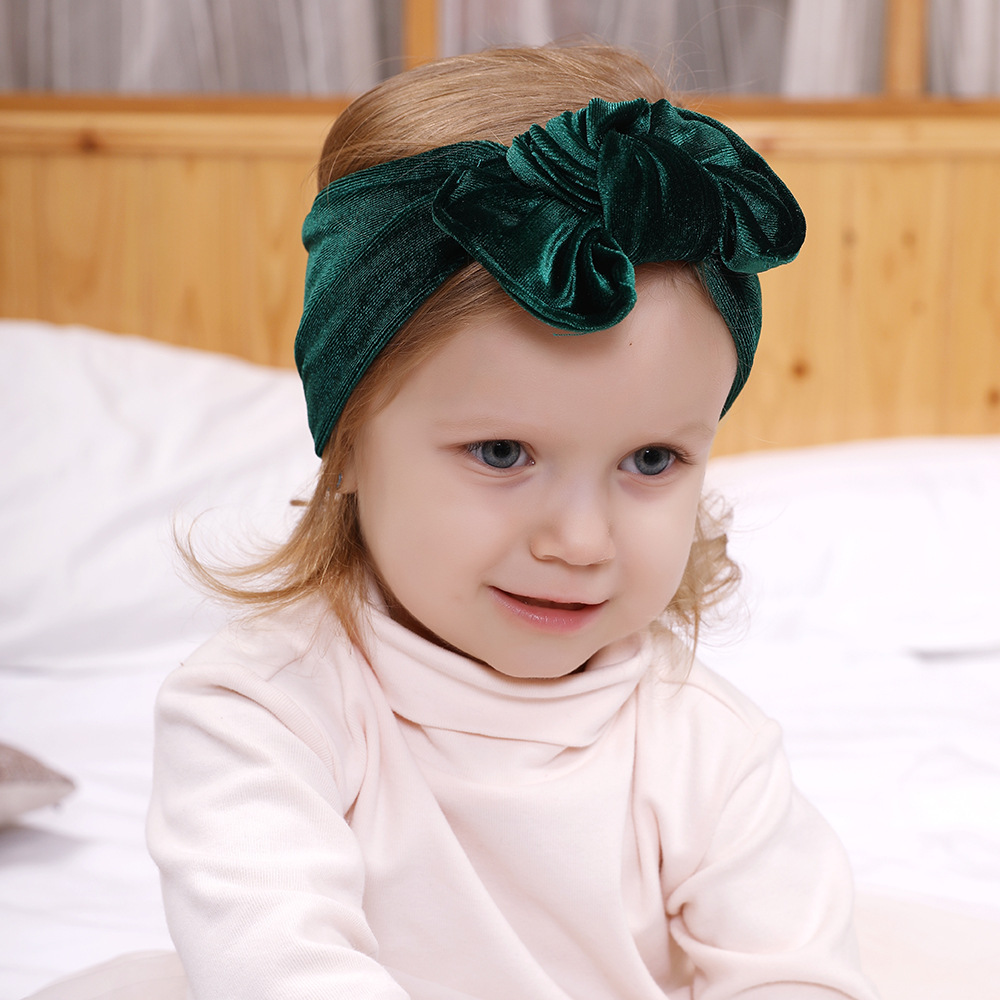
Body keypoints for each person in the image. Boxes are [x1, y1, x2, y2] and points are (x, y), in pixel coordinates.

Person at [29, 43, 880, 1000]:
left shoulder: (705, 745)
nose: (580, 542)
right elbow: (282, 967)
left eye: (651, 461)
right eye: (502, 453)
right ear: (350, 446)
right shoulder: (265, 710)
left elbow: (797, 976)